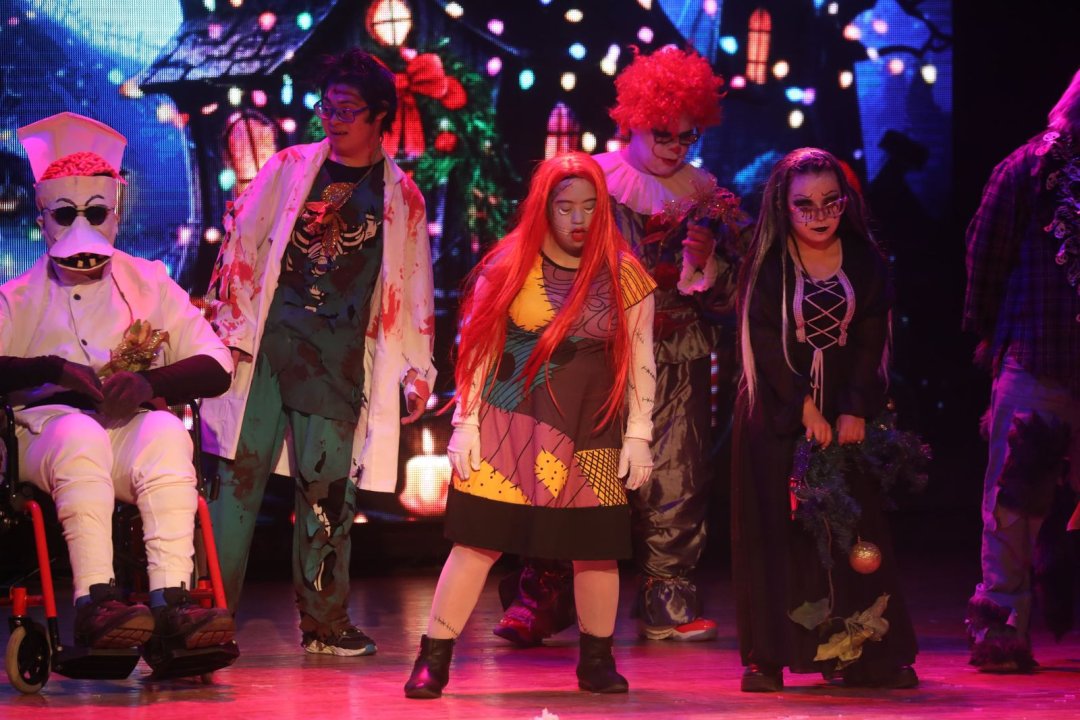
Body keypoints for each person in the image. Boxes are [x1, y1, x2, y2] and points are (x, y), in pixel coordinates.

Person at [496, 46, 743, 647]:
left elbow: (733, 296)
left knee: (676, 474)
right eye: (663, 133)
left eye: (687, 136)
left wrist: (707, 266)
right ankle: (544, 597)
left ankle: (667, 599)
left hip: (675, 355)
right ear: (633, 121)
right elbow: (541, 262)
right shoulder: (591, 184)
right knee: (567, 471)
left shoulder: (706, 197)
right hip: (595, 355)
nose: (675, 147)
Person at [200, 48, 436, 656]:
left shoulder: (401, 196)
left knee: (328, 492)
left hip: (336, 360)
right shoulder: (288, 168)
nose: (333, 119)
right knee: (236, 482)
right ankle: (207, 616)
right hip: (266, 349)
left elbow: (412, 288)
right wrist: (226, 331)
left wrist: (416, 369)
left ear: (380, 115)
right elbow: (241, 247)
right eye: (326, 107)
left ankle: (324, 623)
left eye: (348, 109)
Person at [403, 152, 657, 699]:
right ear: (544, 207)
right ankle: (434, 658)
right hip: (509, 424)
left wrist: (639, 433)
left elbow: (641, 359)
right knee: (477, 542)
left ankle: (597, 661)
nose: (578, 219)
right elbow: (477, 349)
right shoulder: (508, 267)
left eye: (590, 206)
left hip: (591, 430)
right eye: (565, 207)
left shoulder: (626, 275)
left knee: (595, 548)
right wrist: (466, 422)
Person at [0, 112, 236, 652]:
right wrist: (53, 370)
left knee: (166, 432)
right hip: (48, 434)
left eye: (96, 212)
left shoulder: (147, 280)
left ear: (116, 212)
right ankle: (95, 601)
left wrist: (148, 382)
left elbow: (217, 364)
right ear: (44, 219)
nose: (81, 230)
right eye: (66, 214)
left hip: (125, 433)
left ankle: (173, 601)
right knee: (79, 435)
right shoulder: (18, 298)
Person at [731, 147, 918, 691]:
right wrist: (803, 407)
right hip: (778, 410)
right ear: (783, 207)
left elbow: (870, 339)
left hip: (845, 410)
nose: (819, 215)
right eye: (804, 205)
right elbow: (765, 344)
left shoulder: (864, 260)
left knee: (855, 530)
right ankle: (769, 655)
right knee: (778, 530)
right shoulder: (768, 265)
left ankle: (865, 651)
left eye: (829, 203)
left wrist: (853, 405)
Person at [963, 68, 1080, 673]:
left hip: (1040, 354)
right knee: (1015, 500)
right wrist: (995, 336)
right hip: (1039, 357)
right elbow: (985, 255)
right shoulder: (1028, 169)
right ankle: (1002, 626)